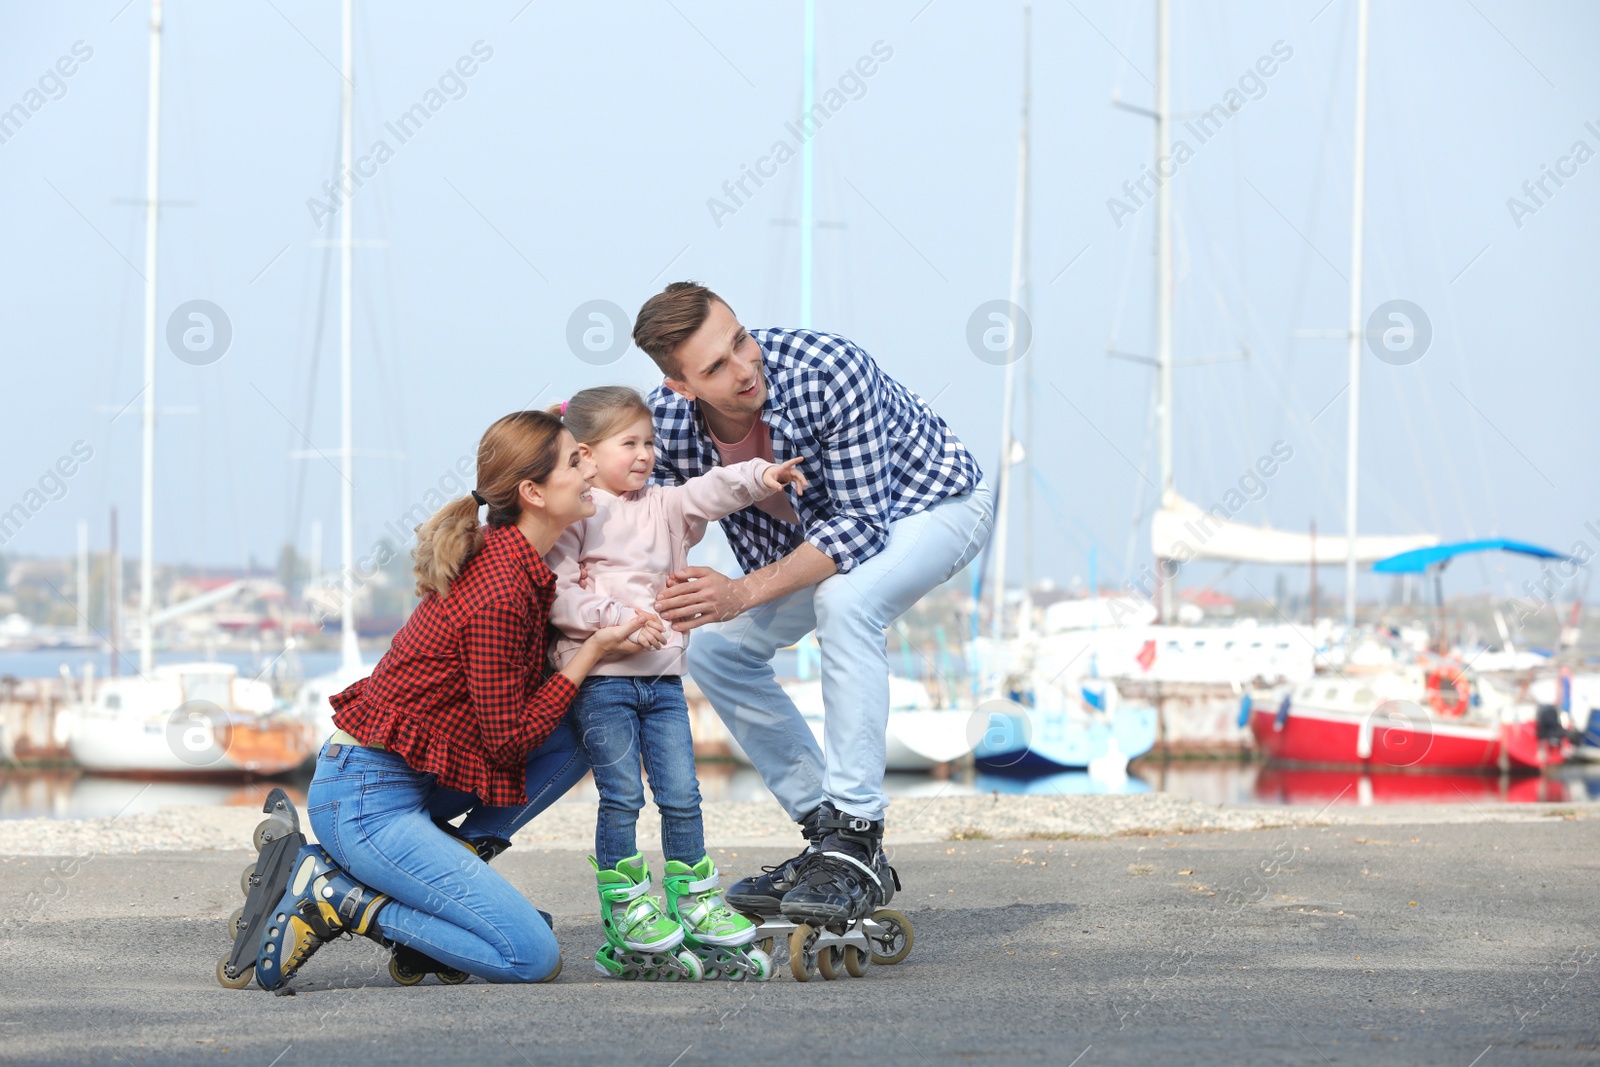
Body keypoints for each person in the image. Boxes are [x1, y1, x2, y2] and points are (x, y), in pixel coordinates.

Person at [242, 410, 648, 990]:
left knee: (585, 732)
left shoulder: (517, 559)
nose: (591, 468)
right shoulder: (502, 589)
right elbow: (508, 741)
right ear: (533, 492)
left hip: (412, 780)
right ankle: (339, 898)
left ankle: (449, 861)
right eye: (575, 460)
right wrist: (593, 651)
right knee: (529, 955)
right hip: (366, 802)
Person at [634, 281, 994, 927]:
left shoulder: (827, 368)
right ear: (681, 387)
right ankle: (825, 836)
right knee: (717, 650)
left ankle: (857, 835)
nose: (746, 368)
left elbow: (860, 524)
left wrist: (739, 591)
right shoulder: (665, 425)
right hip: (821, 543)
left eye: (740, 340)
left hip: (934, 505)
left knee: (847, 601)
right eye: (716, 367)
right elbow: (643, 527)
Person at [544, 386, 808, 980]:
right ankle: (627, 909)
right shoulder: (580, 513)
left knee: (683, 797)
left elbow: (711, 490)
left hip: (664, 684)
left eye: (649, 443)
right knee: (622, 797)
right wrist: (615, 623)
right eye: (628, 444)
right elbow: (560, 594)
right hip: (603, 682)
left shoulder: (665, 505)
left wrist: (764, 474)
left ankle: (693, 901)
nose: (644, 455)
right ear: (584, 454)